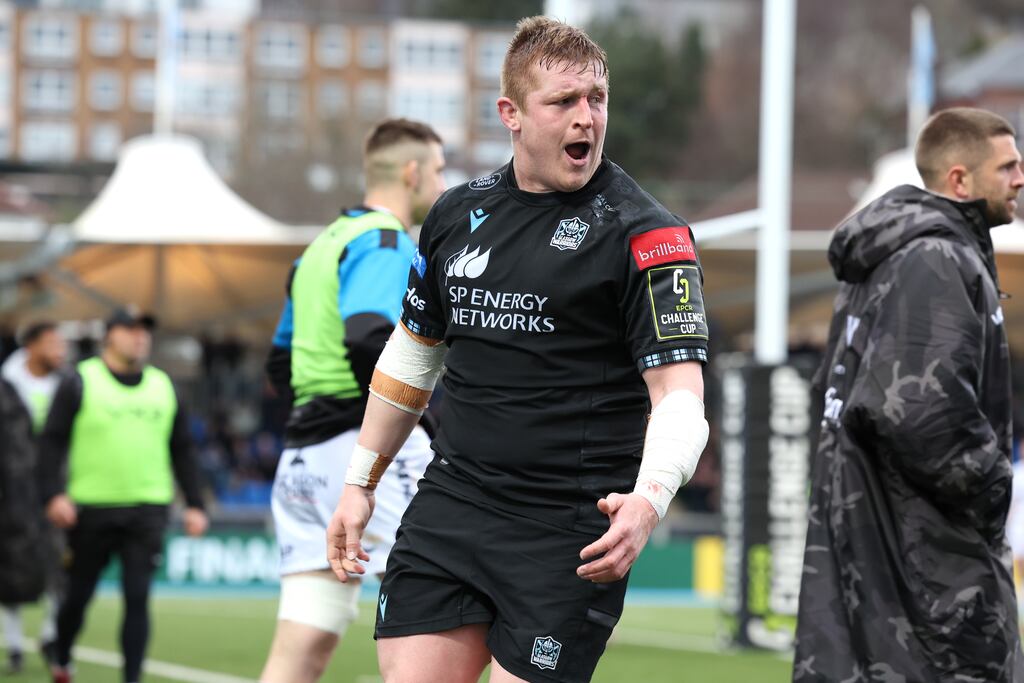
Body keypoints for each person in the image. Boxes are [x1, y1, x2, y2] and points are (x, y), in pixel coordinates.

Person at [328, 17, 710, 683]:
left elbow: (680, 396)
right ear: (511, 113)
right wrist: (361, 481)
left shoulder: (651, 236)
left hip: (568, 534)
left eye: (596, 98)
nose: (585, 117)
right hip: (452, 507)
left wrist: (649, 496)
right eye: (563, 101)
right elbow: (413, 358)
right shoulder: (453, 214)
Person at [793, 107, 1024, 682]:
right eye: (1008, 166)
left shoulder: (893, 257)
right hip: (927, 563)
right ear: (959, 180)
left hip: (883, 542)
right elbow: (917, 408)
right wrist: (995, 487)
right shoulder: (935, 257)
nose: (1020, 178)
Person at [259, 118, 447, 683]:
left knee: (303, 643)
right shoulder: (386, 240)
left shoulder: (320, 246)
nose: (442, 184)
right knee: (437, 623)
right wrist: (416, 423)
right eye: (438, 171)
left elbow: (278, 362)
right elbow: (368, 334)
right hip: (362, 453)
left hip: (303, 458)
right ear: (412, 173)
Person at [40, 309, 209, 683]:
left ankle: (131, 679)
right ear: (109, 336)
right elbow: (51, 441)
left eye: (144, 331)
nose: (140, 337)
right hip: (89, 510)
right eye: (130, 330)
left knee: (137, 597)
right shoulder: (80, 380)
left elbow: (183, 449)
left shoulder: (163, 385)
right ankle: (61, 652)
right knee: (77, 597)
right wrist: (52, 494)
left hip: (147, 508)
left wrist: (195, 503)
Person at [0, 321, 67, 673]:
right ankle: (13, 646)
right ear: (31, 346)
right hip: (11, 492)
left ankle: (50, 636)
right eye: (53, 343)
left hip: (57, 489)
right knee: (10, 569)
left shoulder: (68, 385)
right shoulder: (6, 386)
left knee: (62, 565)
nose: (61, 350)